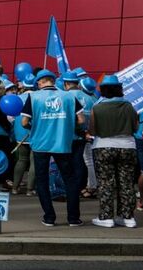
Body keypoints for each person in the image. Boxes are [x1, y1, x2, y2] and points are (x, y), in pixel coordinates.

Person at [22, 69, 84, 227]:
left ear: (40, 82)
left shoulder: (33, 97)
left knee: (42, 181)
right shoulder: (69, 96)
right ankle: (73, 218)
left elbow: (23, 122)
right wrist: (67, 126)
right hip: (62, 142)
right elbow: (81, 120)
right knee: (69, 179)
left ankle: (49, 217)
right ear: (53, 80)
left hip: (40, 144)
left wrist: (34, 127)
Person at [88, 75, 139, 228]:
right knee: (127, 182)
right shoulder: (129, 106)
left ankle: (106, 217)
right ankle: (128, 217)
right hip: (128, 146)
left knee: (105, 182)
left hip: (103, 146)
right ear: (119, 89)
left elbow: (92, 130)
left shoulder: (97, 107)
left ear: (103, 90)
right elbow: (135, 127)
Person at [62, 70, 95, 199]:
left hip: (69, 136)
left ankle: (70, 188)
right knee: (81, 162)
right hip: (86, 136)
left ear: (65, 84)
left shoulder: (65, 97)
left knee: (68, 163)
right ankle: (80, 186)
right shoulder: (90, 98)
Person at [12, 74, 37, 196]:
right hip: (35, 132)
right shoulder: (38, 97)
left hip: (19, 133)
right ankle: (29, 189)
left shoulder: (18, 97)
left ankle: (15, 187)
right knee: (34, 162)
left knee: (21, 160)